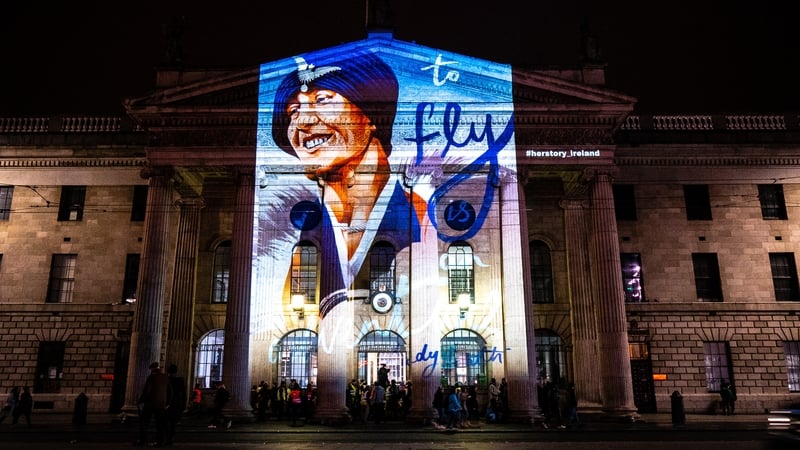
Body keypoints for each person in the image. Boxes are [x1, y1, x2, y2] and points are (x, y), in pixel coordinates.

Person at [267, 51, 424, 320]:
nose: (302, 122)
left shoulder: (422, 214)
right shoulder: (300, 231)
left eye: (323, 99)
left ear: (373, 115)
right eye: (294, 111)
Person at [136, 362, 170, 446]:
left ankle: (143, 440)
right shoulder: (165, 377)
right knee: (160, 424)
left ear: (152, 369)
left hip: (150, 404)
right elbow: (170, 391)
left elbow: (147, 391)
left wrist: (140, 401)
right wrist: (167, 403)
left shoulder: (151, 377)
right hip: (161, 404)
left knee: (144, 422)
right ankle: (160, 441)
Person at [164, 364, 186, 445]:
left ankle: (167, 438)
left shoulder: (166, 379)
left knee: (165, 422)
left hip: (166, 404)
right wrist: (183, 404)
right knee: (173, 423)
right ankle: (170, 438)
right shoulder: (180, 380)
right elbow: (183, 394)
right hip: (176, 404)